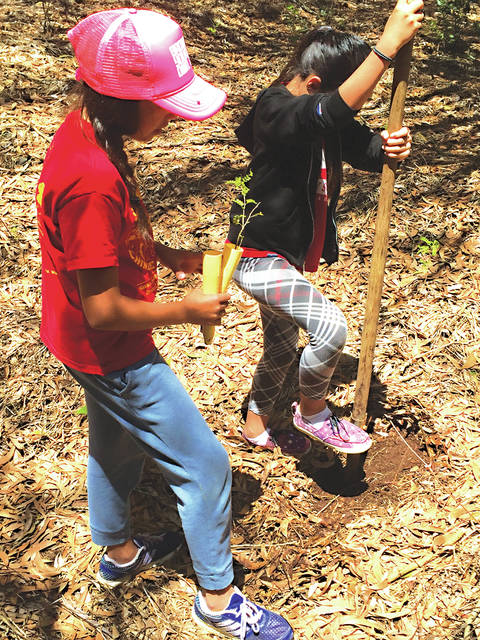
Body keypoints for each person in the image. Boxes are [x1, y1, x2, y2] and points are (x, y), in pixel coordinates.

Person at [36, 8, 294, 639]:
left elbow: (108, 251)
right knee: (206, 466)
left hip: (75, 336)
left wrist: (176, 260)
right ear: (121, 100)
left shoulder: (88, 134)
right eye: (163, 104)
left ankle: (119, 555)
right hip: (110, 345)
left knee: (116, 444)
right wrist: (188, 309)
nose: (174, 116)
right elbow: (104, 307)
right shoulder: (92, 180)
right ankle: (217, 598)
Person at [226, 0, 424, 464]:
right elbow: (329, 112)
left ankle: (256, 426)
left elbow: (361, 144)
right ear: (315, 84)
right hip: (253, 255)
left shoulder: (324, 117)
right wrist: (385, 49)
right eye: (337, 97)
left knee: (280, 346)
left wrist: (387, 146)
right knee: (329, 327)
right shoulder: (275, 108)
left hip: (283, 256)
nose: (346, 109)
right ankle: (312, 412)